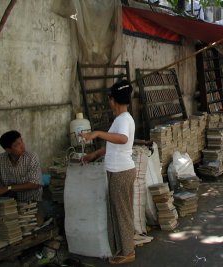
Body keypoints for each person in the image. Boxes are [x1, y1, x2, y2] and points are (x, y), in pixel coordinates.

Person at [80, 80, 136, 265]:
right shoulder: (120, 120)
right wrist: (93, 155)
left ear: (114, 100)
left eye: (110, 99)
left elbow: (122, 139)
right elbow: (112, 145)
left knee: (122, 212)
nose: (109, 102)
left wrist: (97, 133)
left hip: (121, 171)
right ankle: (124, 247)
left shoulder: (124, 119)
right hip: (117, 170)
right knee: (119, 211)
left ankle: (128, 251)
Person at [0, 130, 43, 202]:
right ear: (8, 150)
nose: (22, 146)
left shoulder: (32, 157)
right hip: (9, 203)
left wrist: (7, 188)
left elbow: (35, 184)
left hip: (31, 202)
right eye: (17, 145)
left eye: (21, 142)